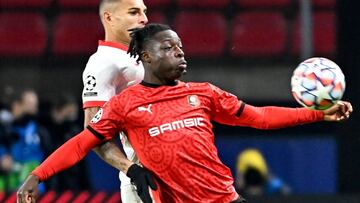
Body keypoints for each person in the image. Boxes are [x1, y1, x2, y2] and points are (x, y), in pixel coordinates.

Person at [17, 24, 353, 203]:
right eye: (168, 48)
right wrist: (37, 176)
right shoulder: (125, 104)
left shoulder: (203, 93)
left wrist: (317, 115)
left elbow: (260, 117)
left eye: (180, 47)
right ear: (145, 58)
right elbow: (82, 143)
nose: (179, 53)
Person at [81, 0, 148, 202]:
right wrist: (132, 170)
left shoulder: (141, 56)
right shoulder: (102, 62)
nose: (144, 19)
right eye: (134, 12)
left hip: (175, 173)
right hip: (146, 179)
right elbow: (93, 132)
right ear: (109, 18)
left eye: (144, 12)